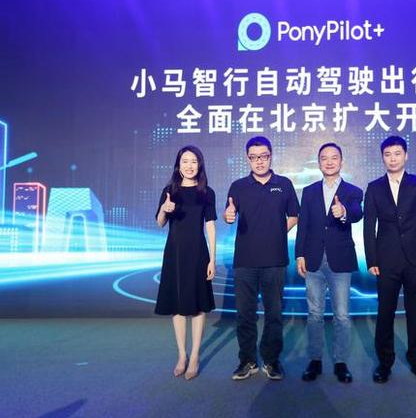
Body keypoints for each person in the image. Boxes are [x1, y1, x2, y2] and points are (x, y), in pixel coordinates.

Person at [363, 136, 416, 384]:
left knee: (415, 312)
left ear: (406, 156)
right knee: (385, 312)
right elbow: (369, 226)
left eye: (397, 153)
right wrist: (372, 259)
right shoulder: (374, 187)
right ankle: (384, 363)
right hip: (386, 259)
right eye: (388, 154)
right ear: (383, 157)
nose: (393, 158)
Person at [224, 136, 299, 381]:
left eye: (264, 156)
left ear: (270, 156)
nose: (259, 161)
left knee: (274, 314)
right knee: (244, 314)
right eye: (254, 157)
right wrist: (228, 216)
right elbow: (229, 214)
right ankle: (247, 361)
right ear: (248, 159)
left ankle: (271, 360)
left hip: (275, 260)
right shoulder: (238, 186)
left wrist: (276, 233)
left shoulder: (284, 184)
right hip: (245, 261)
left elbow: (294, 215)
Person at [295, 142, 363, 383]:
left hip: (340, 260)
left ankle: (341, 361)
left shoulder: (353, 191)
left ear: (341, 161)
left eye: (334, 157)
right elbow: (303, 225)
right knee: (314, 314)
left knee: (341, 315)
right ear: (319, 163)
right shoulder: (309, 191)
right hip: (313, 260)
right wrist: (299, 254)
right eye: (324, 158)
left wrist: (343, 213)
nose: (330, 161)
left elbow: (357, 213)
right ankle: (315, 359)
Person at [155, 145, 217, 381]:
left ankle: (195, 357)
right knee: (178, 305)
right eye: (185, 161)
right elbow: (160, 222)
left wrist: (212, 259)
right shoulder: (169, 190)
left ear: (199, 165)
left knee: (198, 305)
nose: (189, 165)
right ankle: (182, 355)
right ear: (178, 165)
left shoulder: (206, 192)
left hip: (198, 252)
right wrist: (164, 209)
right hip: (175, 253)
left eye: (193, 161)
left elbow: (210, 225)